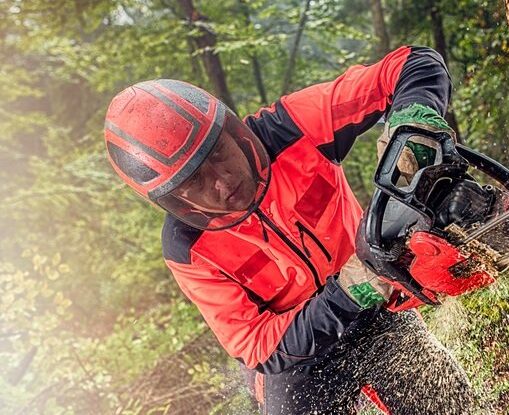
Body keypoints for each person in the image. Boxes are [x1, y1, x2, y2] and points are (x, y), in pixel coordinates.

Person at [104, 45, 474, 414]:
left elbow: (411, 63)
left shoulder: (290, 128)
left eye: (218, 154)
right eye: (197, 181)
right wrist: (348, 290)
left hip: (378, 304)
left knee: (452, 406)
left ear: (231, 131)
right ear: (175, 199)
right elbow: (255, 344)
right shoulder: (187, 248)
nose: (222, 181)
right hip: (297, 361)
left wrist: (414, 121)